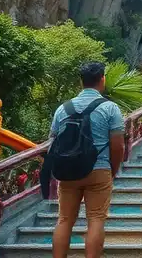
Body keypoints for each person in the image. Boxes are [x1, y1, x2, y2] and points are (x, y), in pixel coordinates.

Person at [50, 62, 125, 258]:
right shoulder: (110, 108)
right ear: (102, 79)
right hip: (99, 169)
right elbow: (118, 146)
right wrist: (112, 170)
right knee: (96, 219)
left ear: (80, 81)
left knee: (65, 219)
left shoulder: (63, 109)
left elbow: (52, 142)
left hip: (67, 171)